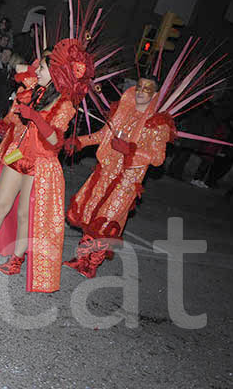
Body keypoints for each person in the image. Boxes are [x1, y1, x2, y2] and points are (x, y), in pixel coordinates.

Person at [0, 0, 96, 293]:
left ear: (56, 74)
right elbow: (22, 70)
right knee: (0, 205)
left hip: (39, 162)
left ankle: (17, 259)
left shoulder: (66, 104)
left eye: (44, 67)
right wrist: (42, 69)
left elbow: (53, 139)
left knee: (23, 213)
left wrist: (35, 116)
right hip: (16, 155)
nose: (38, 68)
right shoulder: (35, 88)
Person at [64, 75, 173, 277]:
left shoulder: (157, 124)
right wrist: (79, 141)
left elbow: (158, 158)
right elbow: (102, 135)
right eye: (139, 86)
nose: (141, 91)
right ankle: (81, 259)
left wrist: (130, 151)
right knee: (91, 214)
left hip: (126, 182)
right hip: (104, 173)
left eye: (147, 89)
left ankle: (91, 264)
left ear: (155, 95)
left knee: (106, 220)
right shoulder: (123, 112)